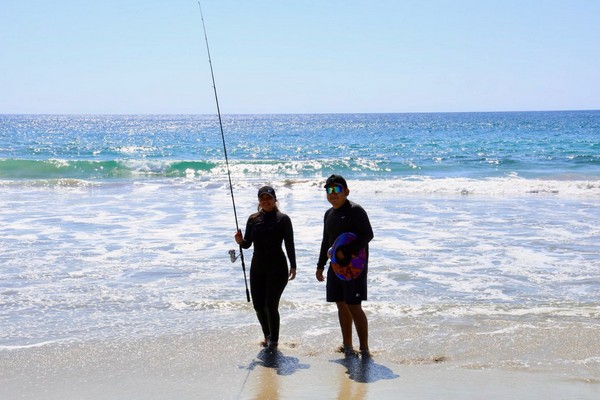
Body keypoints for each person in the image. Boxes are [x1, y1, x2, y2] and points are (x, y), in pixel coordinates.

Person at [316, 174, 374, 357]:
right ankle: (347, 346)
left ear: (346, 191)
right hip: (335, 267)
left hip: (354, 269)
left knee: (354, 305)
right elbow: (326, 241)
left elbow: (368, 235)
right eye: (329, 189)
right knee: (341, 304)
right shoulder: (329, 214)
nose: (332, 193)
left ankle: (364, 348)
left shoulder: (355, 210)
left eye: (337, 189)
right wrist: (320, 265)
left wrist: (345, 251)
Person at [235, 185, 297, 353]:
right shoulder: (253, 219)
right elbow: (247, 244)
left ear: (275, 199)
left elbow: (289, 244)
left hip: (278, 267)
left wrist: (293, 265)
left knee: (270, 306)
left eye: (269, 198)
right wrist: (240, 241)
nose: (266, 201)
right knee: (258, 306)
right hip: (258, 267)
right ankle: (267, 336)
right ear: (259, 201)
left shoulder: (283, 219)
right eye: (262, 198)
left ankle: (274, 342)